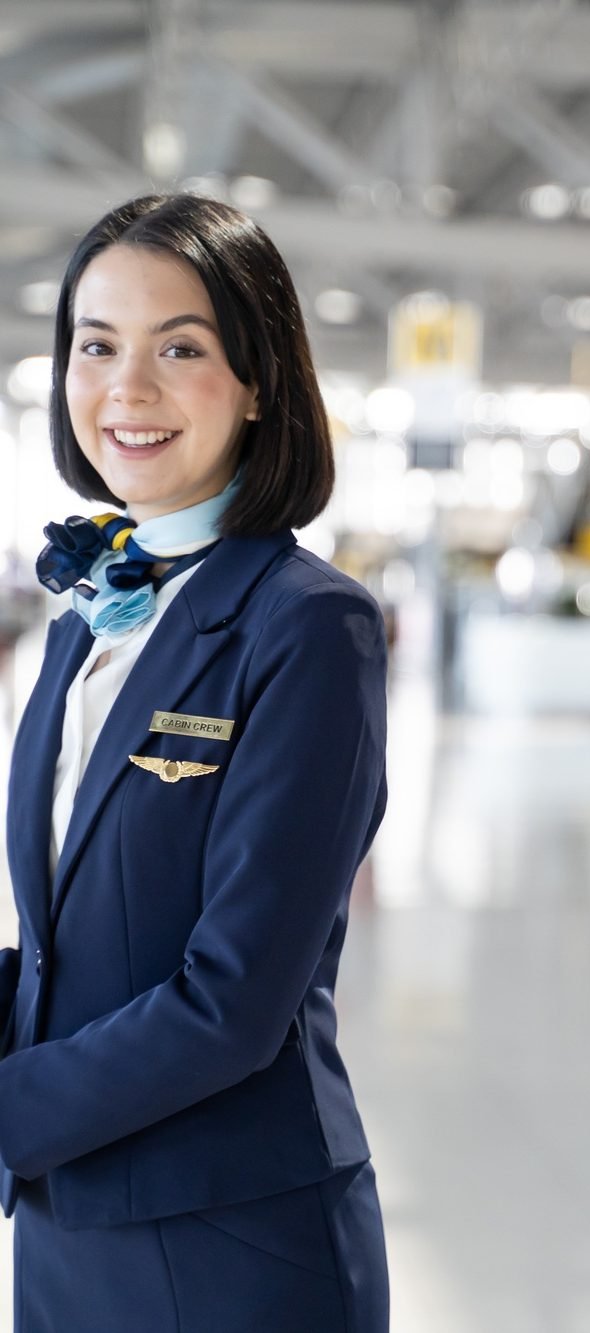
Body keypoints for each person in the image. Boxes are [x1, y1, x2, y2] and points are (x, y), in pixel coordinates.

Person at [0, 193, 390, 1331]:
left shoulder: (307, 625)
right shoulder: (84, 621)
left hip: (232, 1247)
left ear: (259, 379)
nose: (128, 388)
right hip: (69, 1228)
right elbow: (85, 941)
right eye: (97, 345)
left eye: (181, 347)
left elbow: (232, 998)